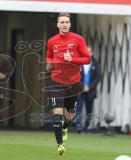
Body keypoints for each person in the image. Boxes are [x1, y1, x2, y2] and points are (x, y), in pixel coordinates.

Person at [46, 12, 91, 156]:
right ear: (58, 24)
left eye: (67, 22)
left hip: (73, 82)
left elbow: (87, 59)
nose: (65, 24)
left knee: (70, 113)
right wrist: (49, 64)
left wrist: (72, 58)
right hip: (56, 81)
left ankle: (65, 127)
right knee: (57, 112)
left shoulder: (78, 40)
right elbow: (48, 56)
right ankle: (60, 145)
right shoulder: (52, 41)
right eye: (62, 22)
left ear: (70, 24)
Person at [75, 47, 101, 133]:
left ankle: (86, 127)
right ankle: (79, 126)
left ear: (91, 53)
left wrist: (89, 87)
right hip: (80, 90)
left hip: (90, 91)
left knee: (89, 110)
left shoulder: (95, 63)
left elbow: (98, 77)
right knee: (79, 108)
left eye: (88, 51)